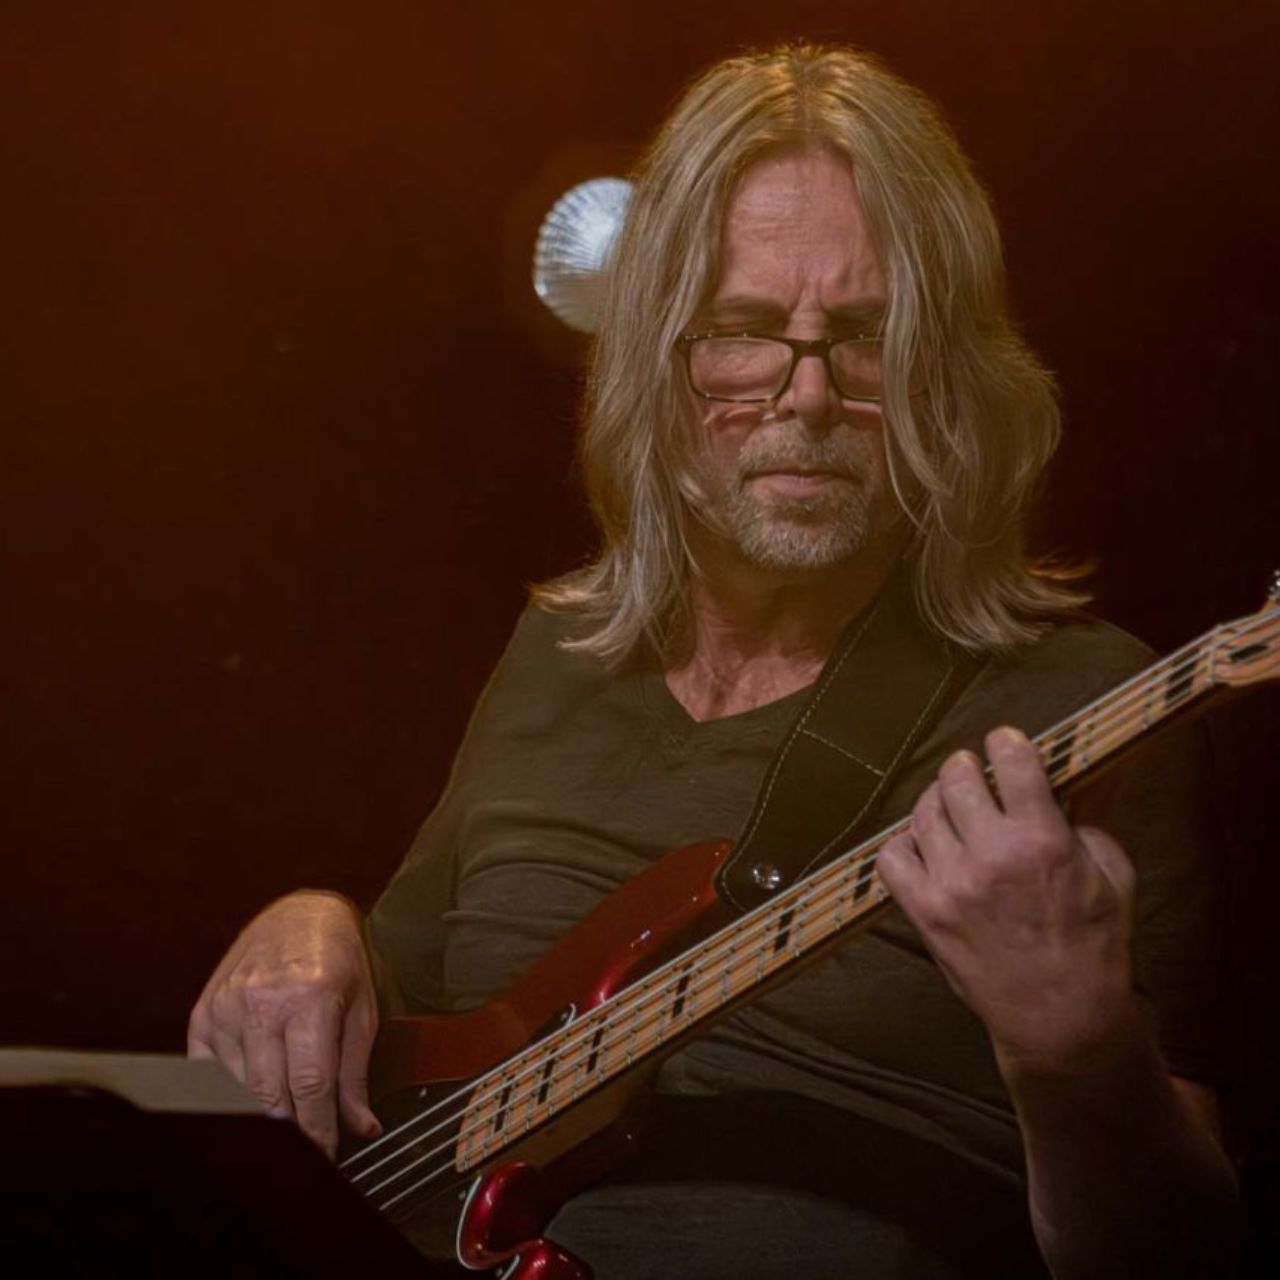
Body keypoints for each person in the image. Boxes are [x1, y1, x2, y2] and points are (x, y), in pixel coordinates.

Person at [189, 44, 1240, 1278]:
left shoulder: (1091, 709)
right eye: (743, 331)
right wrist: (306, 920)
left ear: (947, 375)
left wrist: (1077, 1054)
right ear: (653, 360)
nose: (805, 395)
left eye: (864, 337)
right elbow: (400, 988)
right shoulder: (560, 655)